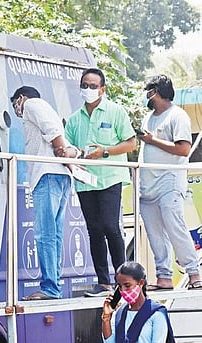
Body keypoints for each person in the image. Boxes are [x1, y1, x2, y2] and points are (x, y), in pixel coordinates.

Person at [65, 68, 136, 297]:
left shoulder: (115, 112)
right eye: (85, 85)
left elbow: (130, 143)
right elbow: (69, 147)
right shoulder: (75, 119)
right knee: (94, 230)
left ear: (102, 89)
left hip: (110, 178)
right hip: (85, 181)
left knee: (110, 226)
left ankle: (124, 279)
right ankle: (103, 282)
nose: (88, 89)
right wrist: (71, 158)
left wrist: (105, 151)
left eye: (93, 86)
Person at [10, 86, 79, 300]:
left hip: (47, 174)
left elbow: (53, 132)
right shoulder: (49, 110)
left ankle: (50, 287)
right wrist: (66, 154)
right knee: (54, 234)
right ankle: (53, 285)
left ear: (21, 98)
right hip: (59, 175)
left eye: (15, 105)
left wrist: (60, 150)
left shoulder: (32, 104)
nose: (17, 111)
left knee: (45, 234)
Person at [138, 75, 202, 291]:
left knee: (175, 226)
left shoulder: (178, 116)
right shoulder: (148, 118)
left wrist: (152, 139)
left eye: (149, 91)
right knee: (154, 233)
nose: (146, 96)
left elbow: (183, 149)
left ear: (156, 92)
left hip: (170, 180)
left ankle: (194, 273)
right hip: (148, 184)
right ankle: (164, 276)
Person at [101, 261, 175, 343]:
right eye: (120, 286)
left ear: (141, 283)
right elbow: (109, 341)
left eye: (127, 285)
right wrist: (106, 318)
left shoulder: (156, 313)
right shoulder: (120, 312)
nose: (123, 290)